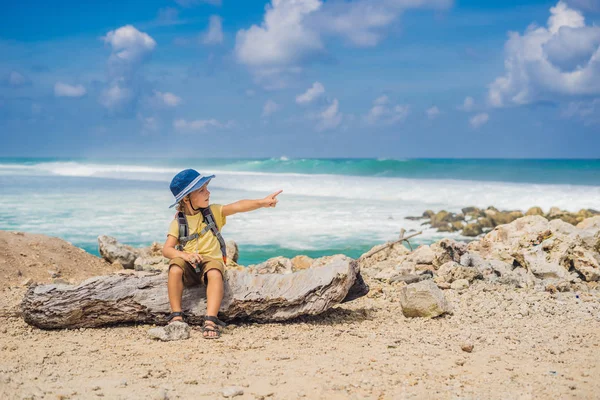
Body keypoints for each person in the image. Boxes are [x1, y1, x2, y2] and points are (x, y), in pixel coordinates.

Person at [162, 168, 282, 339]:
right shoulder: (178, 222)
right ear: (187, 198)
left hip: (211, 261)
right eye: (201, 190)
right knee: (174, 269)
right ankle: (176, 315)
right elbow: (167, 250)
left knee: (214, 272)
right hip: (189, 263)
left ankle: (211, 319)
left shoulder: (213, 212)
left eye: (206, 188)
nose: (208, 193)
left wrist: (262, 202)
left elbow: (238, 206)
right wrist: (186, 256)